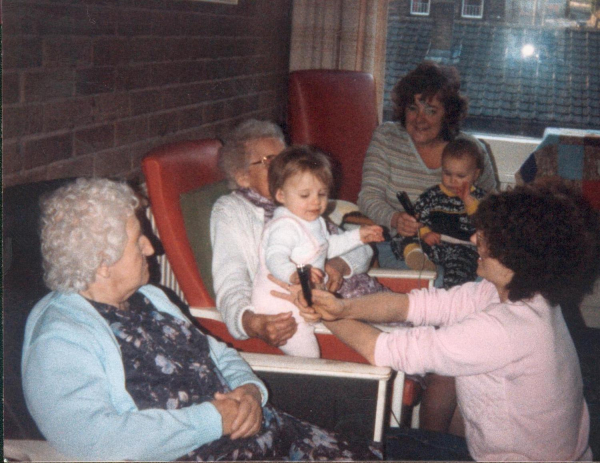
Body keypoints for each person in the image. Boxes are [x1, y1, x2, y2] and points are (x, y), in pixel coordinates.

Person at [21, 177, 378, 461]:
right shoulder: (60, 338)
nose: (151, 247)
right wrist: (214, 419)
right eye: (137, 240)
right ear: (102, 262)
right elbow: (95, 439)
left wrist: (250, 392)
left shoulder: (149, 297)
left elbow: (219, 354)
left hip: (276, 435)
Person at [278, 181, 599, 461]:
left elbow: (386, 349)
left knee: (351, 448)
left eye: (486, 236)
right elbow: (416, 305)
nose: (474, 239)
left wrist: (319, 310)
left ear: (515, 255)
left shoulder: (505, 329)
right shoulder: (523, 296)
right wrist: (343, 309)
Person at [358, 60, 498, 433]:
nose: (419, 117)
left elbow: (492, 216)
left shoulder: (473, 151)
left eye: (430, 109)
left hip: (462, 252)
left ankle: (456, 426)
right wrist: (394, 218)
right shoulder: (387, 138)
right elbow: (368, 195)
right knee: (452, 312)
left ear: (448, 115)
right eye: (412, 107)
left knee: (480, 312)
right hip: (402, 245)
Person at [211, 119, 380, 349]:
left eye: (286, 157)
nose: (286, 167)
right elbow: (231, 280)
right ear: (243, 176)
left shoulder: (302, 202)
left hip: (354, 299)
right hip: (316, 316)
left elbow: (362, 250)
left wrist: (339, 265)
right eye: (271, 161)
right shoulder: (232, 211)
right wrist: (251, 322)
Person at [251, 146, 384, 357]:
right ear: (281, 195)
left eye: (322, 194)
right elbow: (275, 258)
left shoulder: (314, 221)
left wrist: (359, 236)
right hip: (278, 306)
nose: (315, 201)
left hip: (305, 298)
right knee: (309, 354)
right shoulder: (284, 225)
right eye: (305, 195)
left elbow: (328, 246)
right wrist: (295, 273)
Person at [392, 139, 487, 289]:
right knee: (400, 237)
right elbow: (418, 218)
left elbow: (485, 224)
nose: (452, 180)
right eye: (447, 173)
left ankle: (449, 297)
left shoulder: (482, 198)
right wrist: (424, 233)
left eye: (461, 176)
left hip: (464, 248)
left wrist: (468, 201)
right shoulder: (432, 195)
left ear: (475, 174)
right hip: (434, 242)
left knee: (461, 270)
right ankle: (418, 257)